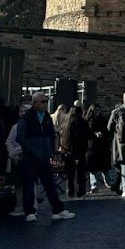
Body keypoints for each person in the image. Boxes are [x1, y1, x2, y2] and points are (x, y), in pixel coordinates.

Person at [17, 92, 75, 223]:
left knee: (50, 184)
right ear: (35, 103)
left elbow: (52, 135)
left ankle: (58, 210)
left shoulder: (47, 117)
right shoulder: (26, 118)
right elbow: (21, 137)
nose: (45, 104)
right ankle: (30, 212)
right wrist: (32, 151)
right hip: (31, 157)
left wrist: (52, 151)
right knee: (29, 185)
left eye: (46, 101)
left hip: (44, 156)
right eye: (43, 101)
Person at [61, 101, 94, 198]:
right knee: (81, 173)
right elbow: (89, 135)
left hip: (68, 151)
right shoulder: (82, 122)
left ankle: (70, 191)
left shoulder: (66, 123)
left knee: (70, 174)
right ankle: (81, 190)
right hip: (80, 151)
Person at [84, 103, 117, 195]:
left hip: (102, 146)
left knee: (105, 167)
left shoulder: (103, 120)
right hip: (92, 146)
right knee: (93, 168)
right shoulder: (88, 120)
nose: (97, 112)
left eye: (99, 110)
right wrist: (94, 134)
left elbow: (108, 130)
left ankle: (109, 182)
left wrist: (102, 134)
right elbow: (86, 133)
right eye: (96, 110)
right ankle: (94, 186)